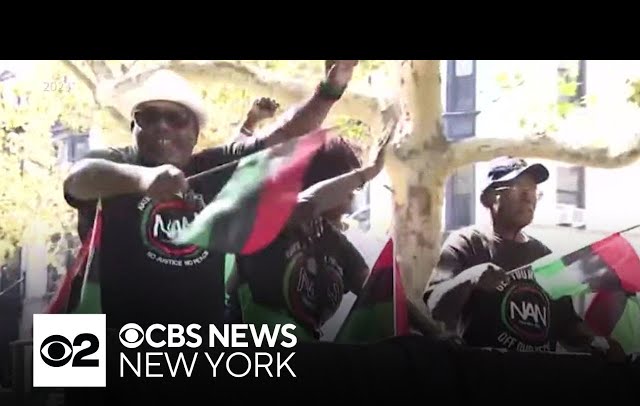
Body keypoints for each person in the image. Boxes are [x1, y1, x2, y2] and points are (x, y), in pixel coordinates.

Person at [62, 61, 360, 329]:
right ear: (132, 127)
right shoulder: (115, 163)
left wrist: (331, 88)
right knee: (48, 388)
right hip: (99, 344)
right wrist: (144, 179)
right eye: (148, 116)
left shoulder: (214, 168)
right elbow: (77, 180)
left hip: (197, 350)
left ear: (195, 134)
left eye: (176, 118)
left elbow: (284, 135)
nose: (161, 126)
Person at [423, 156, 626, 360]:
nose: (529, 197)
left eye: (533, 190)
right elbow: (434, 306)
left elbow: (568, 325)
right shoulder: (467, 242)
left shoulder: (544, 255)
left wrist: (596, 342)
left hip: (539, 379)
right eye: (518, 188)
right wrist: (470, 279)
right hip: (485, 375)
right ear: (490, 198)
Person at [227, 131, 393, 341]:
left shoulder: (334, 241)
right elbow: (306, 204)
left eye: (357, 187)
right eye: (347, 183)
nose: (352, 193)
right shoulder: (269, 226)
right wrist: (369, 172)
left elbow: (378, 291)